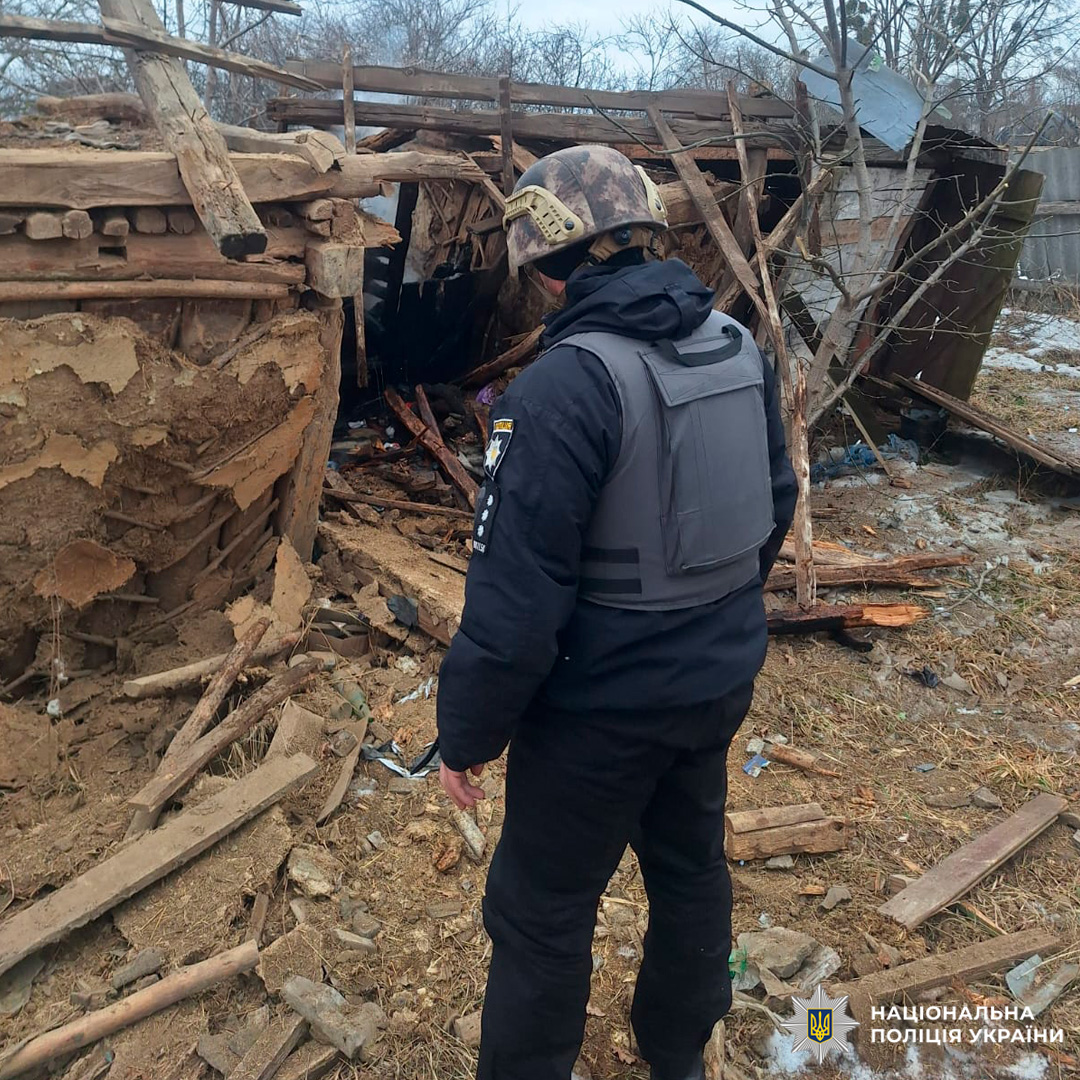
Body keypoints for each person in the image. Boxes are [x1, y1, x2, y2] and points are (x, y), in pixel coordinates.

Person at [436, 145, 797, 1080]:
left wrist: (466, 734)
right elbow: (774, 506)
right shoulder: (738, 349)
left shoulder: (560, 389)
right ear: (645, 235)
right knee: (690, 870)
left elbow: (516, 606)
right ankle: (677, 1054)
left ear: (546, 268)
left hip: (599, 713)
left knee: (541, 911)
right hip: (715, 686)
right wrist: (709, 621)